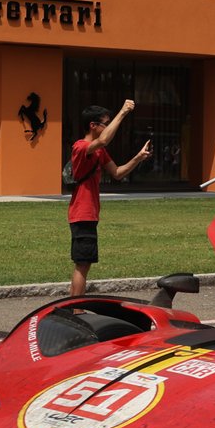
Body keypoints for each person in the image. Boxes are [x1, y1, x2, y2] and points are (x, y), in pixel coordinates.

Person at [68, 101, 152, 296]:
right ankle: (77, 311)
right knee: (82, 265)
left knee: (83, 264)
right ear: (93, 125)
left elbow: (117, 172)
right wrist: (122, 112)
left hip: (90, 214)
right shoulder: (80, 147)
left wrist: (138, 157)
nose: (108, 127)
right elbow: (104, 140)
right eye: (105, 123)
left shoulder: (99, 151)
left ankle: (72, 307)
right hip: (82, 214)